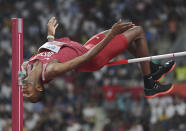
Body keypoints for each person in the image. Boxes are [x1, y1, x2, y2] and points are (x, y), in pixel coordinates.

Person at [22, 17, 176, 103]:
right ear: (40, 88)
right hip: (94, 56)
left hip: (84, 47)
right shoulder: (52, 70)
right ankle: (149, 83)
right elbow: (86, 58)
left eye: (24, 94)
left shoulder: (26, 67)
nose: (23, 92)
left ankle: (152, 69)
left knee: (126, 32)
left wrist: (50, 36)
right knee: (138, 32)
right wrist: (111, 35)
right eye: (29, 94)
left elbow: (50, 51)